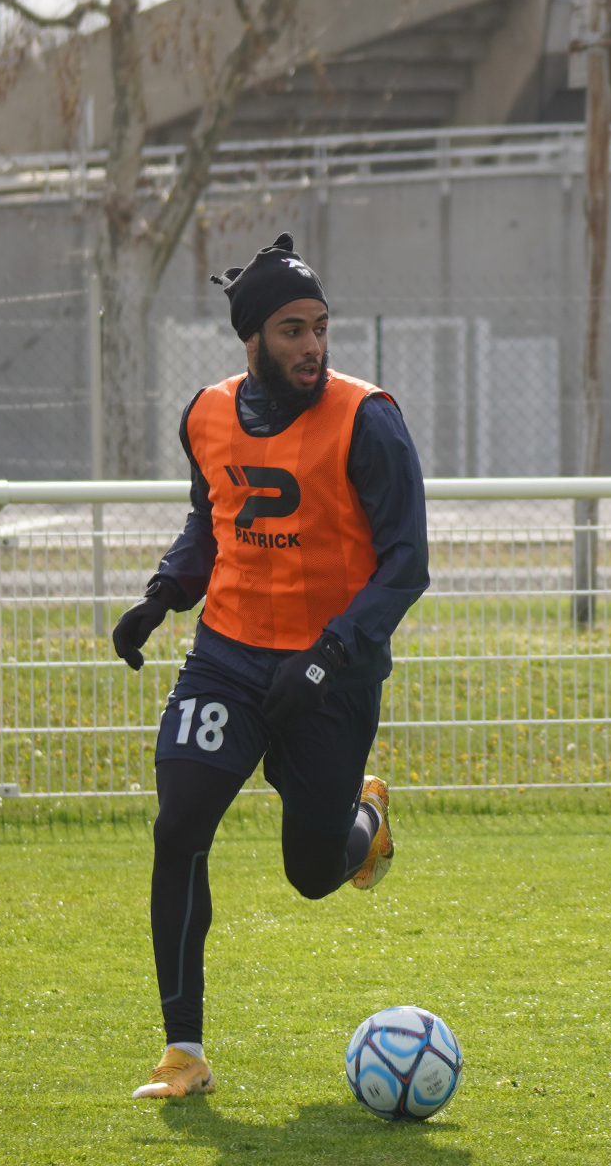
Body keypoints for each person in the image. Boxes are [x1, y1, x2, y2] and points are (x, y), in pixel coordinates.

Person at [111, 233, 429, 1097]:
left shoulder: (368, 418)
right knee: (178, 829)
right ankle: (184, 1054)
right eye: (293, 330)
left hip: (334, 673)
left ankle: (367, 822)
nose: (313, 346)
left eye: (320, 327)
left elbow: (407, 564)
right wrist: (163, 594)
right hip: (227, 659)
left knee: (312, 875)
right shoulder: (205, 414)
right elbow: (212, 522)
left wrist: (327, 655)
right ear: (251, 337)